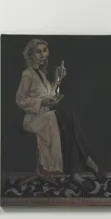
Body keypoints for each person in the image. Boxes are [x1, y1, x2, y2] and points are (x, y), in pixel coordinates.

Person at [15, 38, 68, 178]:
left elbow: (49, 96)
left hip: (44, 116)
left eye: (45, 50)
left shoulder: (42, 75)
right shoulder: (28, 74)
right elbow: (20, 99)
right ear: (31, 55)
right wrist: (42, 103)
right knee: (52, 117)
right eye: (38, 52)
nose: (43, 54)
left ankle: (54, 166)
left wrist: (57, 80)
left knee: (66, 118)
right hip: (32, 119)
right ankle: (50, 167)